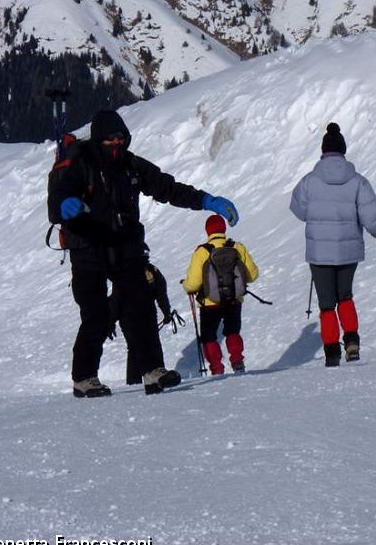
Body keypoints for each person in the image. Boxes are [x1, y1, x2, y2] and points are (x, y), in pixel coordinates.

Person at [47, 109, 239, 397]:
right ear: (98, 140)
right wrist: (65, 207)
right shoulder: (80, 162)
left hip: (125, 246)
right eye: (109, 140)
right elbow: (57, 198)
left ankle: (152, 371)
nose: (115, 145)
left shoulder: (130, 165)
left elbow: (167, 188)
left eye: (120, 139)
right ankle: (84, 377)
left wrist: (205, 200)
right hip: (88, 246)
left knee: (140, 309)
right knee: (96, 314)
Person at [290, 123, 376, 367]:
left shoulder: (309, 181)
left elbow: (298, 209)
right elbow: (372, 216)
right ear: (343, 151)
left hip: (319, 253)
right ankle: (352, 341)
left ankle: (332, 351)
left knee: (326, 303)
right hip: (348, 250)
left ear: (323, 152)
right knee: (345, 296)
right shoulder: (358, 181)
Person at [182, 215, 259, 374]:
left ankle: (217, 369)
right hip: (234, 299)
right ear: (224, 229)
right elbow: (253, 274)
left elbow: (194, 283)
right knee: (233, 331)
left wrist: (186, 285)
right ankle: (238, 362)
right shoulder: (237, 247)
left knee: (209, 337)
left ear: (207, 231)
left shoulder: (202, 251)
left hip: (210, 302)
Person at [107, 253, 185, 385]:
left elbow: (116, 300)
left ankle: (136, 381)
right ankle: (158, 374)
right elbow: (161, 293)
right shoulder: (152, 271)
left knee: (135, 347)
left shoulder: (124, 271)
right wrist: (166, 312)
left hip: (127, 317)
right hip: (146, 313)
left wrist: (110, 322)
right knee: (151, 342)